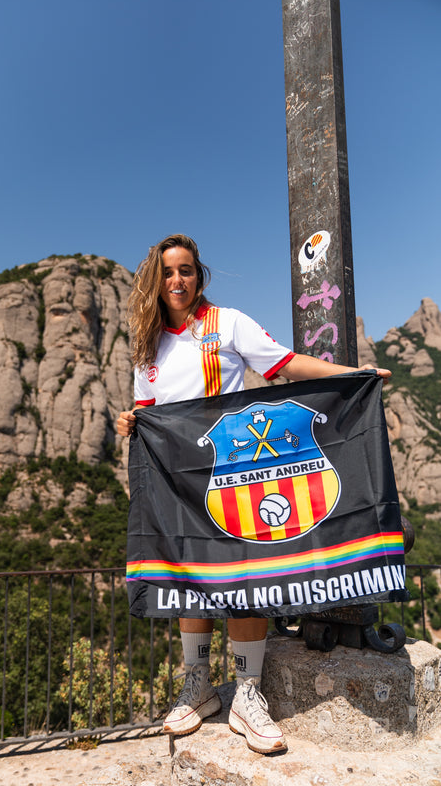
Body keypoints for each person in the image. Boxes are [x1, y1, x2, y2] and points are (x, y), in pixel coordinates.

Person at [117, 233, 391, 755]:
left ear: (200, 276)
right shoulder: (148, 346)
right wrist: (133, 420)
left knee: (248, 575)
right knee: (188, 578)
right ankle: (197, 686)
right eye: (169, 272)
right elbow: (150, 409)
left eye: (187, 271)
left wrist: (350, 376)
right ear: (157, 280)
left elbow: (284, 365)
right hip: (179, 478)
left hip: (238, 469)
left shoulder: (229, 323)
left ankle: (247, 693)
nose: (178, 281)